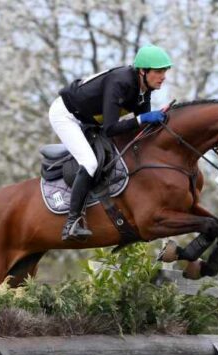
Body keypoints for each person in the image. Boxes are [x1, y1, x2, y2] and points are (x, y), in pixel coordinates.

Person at [49, 44, 172, 241]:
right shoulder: (120, 82)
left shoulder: (144, 88)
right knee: (90, 163)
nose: (163, 76)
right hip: (66, 115)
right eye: (158, 71)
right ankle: (71, 223)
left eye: (164, 71)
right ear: (142, 71)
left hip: (88, 119)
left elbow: (142, 129)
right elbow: (111, 128)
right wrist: (143, 119)